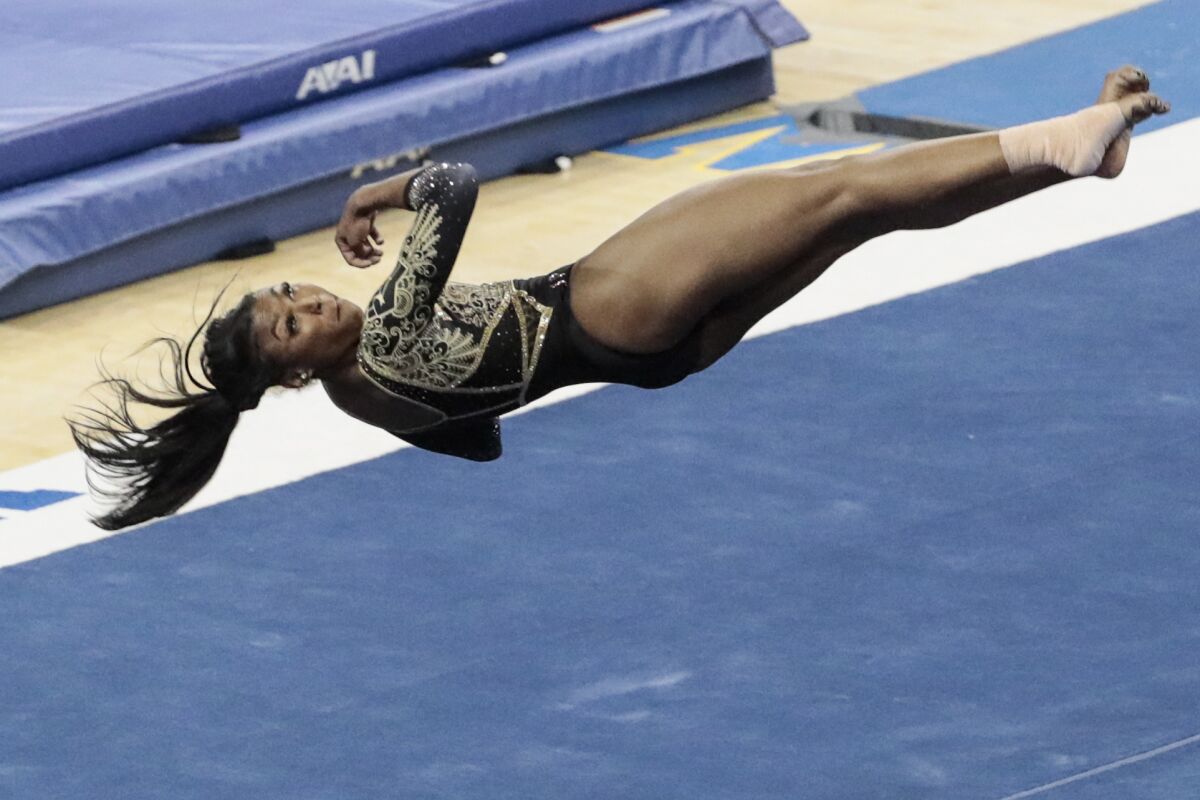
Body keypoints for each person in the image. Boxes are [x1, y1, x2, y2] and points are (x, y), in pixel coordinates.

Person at [70, 67, 1169, 530]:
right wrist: (375, 192)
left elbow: (479, 441)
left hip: (646, 355)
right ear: (298, 368)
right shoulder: (388, 329)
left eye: (287, 294)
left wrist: (492, 358)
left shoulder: (363, 400)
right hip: (603, 299)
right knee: (832, 183)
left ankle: (1064, 158)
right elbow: (452, 184)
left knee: (855, 212)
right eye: (292, 324)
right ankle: (1058, 144)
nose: (307, 297)